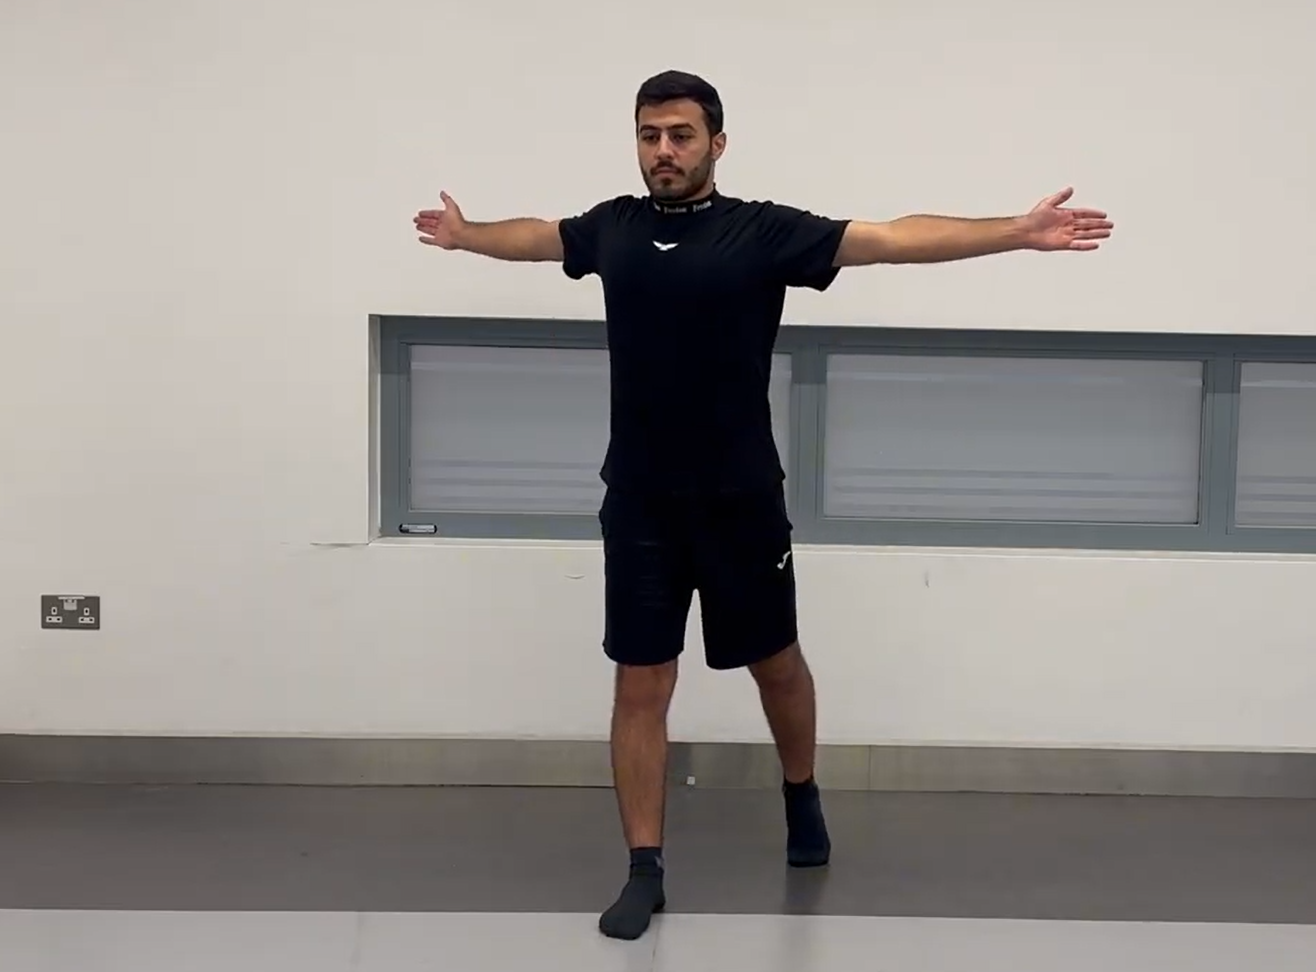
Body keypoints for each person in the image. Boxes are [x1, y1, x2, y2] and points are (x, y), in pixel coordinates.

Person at [412, 69, 1113, 940]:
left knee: (775, 664)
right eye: (649, 135)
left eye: (680, 135)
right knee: (641, 680)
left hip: (740, 499)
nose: (663, 151)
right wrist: (465, 235)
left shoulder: (763, 231)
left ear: (716, 143)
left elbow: (891, 239)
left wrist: (1016, 231)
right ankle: (644, 868)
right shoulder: (613, 227)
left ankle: (801, 792)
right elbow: (538, 237)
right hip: (639, 501)